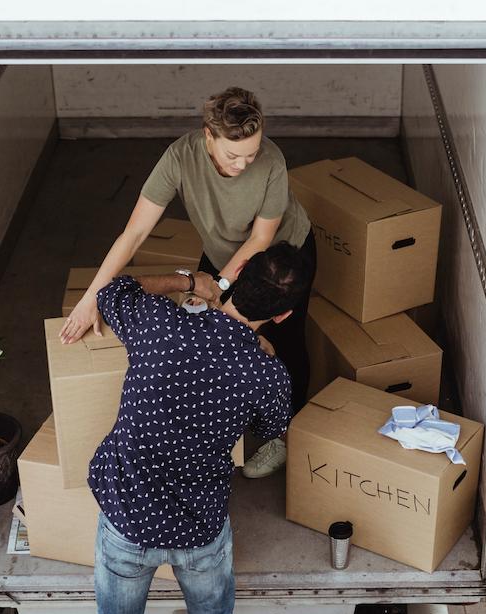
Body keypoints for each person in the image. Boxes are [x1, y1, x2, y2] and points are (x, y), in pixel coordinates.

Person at [60, 86, 314, 479]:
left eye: (252, 153)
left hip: (279, 259)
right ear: (208, 136)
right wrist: (91, 297)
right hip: (221, 256)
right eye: (234, 155)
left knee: (286, 344)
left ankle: (280, 437)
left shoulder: (272, 162)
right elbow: (134, 234)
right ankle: (220, 425)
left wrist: (221, 290)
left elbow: (260, 240)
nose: (245, 164)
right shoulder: (179, 158)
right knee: (204, 330)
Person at [88, 243, 311, 614]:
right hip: (200, 528)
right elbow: (270, 430)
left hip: (127, 518)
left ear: (238, 272)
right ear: (282, 315)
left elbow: (112, 291)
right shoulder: (268, 375)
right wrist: (263, 357)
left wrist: (190, 282)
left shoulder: (158, 323)